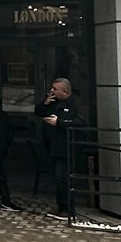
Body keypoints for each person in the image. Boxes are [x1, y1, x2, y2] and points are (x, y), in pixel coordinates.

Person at [34, 77, 81, 217]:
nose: (51, 91)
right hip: (52, 146)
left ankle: (67, 209)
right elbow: (38, 111)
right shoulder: (53, 101)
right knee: (58, 178)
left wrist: (59, 122)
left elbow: (80, 122)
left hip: (66, 147)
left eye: (55, 89)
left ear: (65, 91)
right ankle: (61, 207)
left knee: (63, 178)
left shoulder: (75, 103)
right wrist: (45, 103)